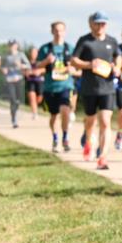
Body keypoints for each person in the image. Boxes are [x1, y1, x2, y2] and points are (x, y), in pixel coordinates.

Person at [72, 12, 122, 170]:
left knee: (106, 122)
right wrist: (89, 65)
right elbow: (74, 60)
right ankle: (88, 141)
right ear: (91, 24)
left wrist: (118, 67)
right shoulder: (85, 40)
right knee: (90, 121)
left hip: (107, 87)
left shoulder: (112, 41)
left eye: (104, 24)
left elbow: (118, 57)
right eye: (98, 23)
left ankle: (102, 157)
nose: (101, 26)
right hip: (89, 88)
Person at [37, 21, 74, 153]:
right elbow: (37, 66)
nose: (59, 33)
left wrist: (72, 68)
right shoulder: (45, 49)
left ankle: (65, 137)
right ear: (52, 31)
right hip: (50, 87)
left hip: (65, 85)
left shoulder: (70, 48)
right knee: (54, 116)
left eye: (61, 30)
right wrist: (46, 61)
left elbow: (76, 65)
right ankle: (55, 137)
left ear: (65, 31)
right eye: (56, 30)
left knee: (65, 110)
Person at [2, 40, 30, 128]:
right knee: (12, 100)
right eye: (10, 45)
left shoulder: (20, 55)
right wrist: (4, 70)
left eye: (13, 45)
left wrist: (21, 65)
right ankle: (14, 120)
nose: (11, 47)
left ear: (16, 46)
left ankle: (15, 109)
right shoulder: (6, 56)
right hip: (10, 79)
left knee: (18, 101)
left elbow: (28, 65)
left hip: (19, 79)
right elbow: (2, 66)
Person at [25, 46, 45, 120]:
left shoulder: (41, 61)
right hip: (30, 81)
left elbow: (46, 69)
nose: (33, 54)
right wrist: (27, 72)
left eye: (35, 52)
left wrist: (39, 71)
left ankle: (35, 106)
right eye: (32, 52)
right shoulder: (27, 62)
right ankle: (34, 113)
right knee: (31, 97)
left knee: (39, 98)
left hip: (40, 81)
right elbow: (23, 70)